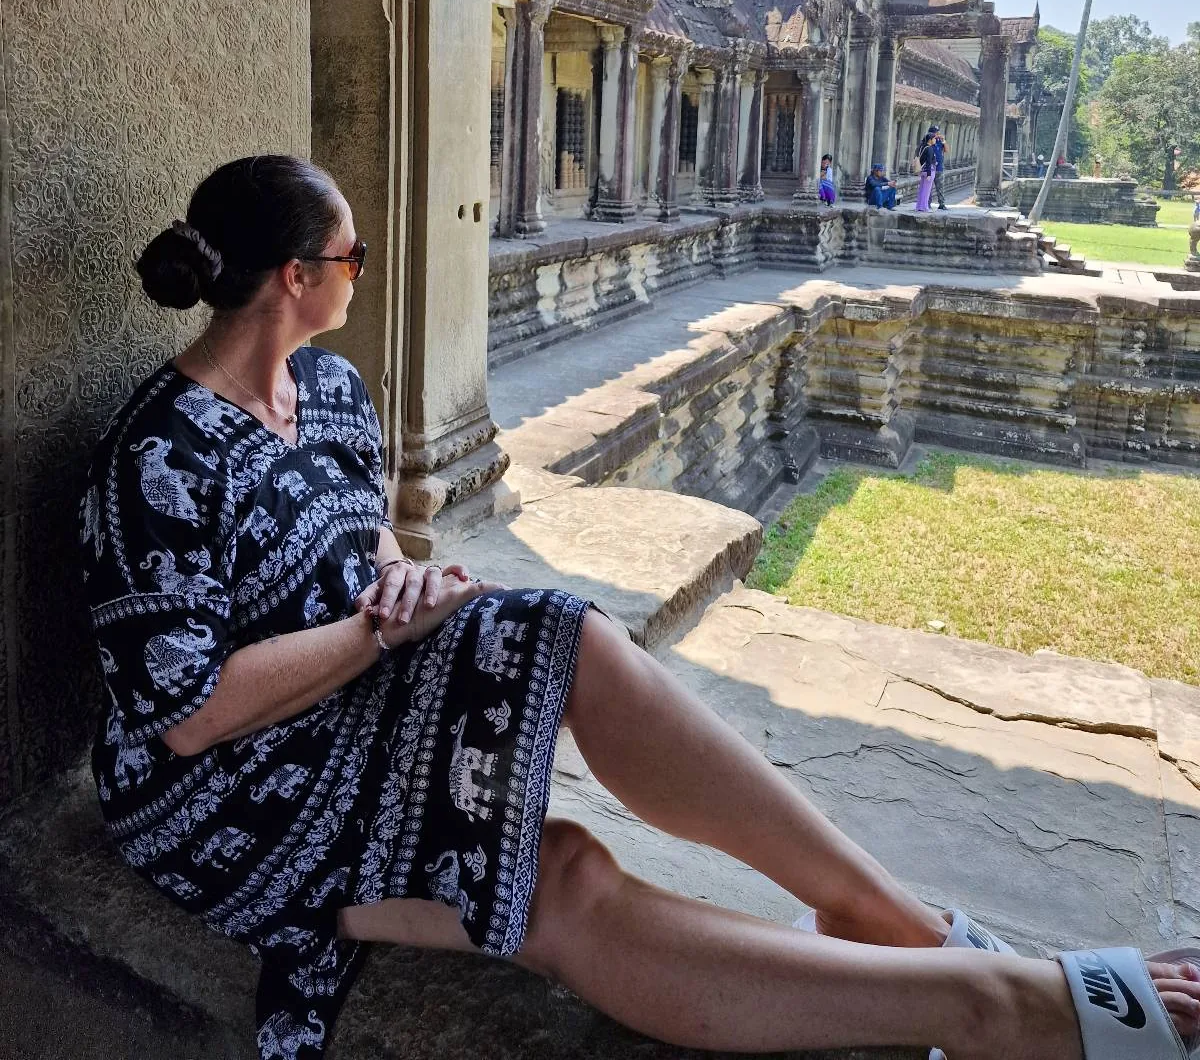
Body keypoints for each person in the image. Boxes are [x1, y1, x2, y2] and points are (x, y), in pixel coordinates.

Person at [81, 154, 1200, 1060]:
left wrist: (402, 577)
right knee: (561, 878)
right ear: (293, 276)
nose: (362, 270)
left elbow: (364, 530)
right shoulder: (156, 456)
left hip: (351, 692)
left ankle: (901, 925)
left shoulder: (328, 389)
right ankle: (984, 1005)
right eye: (353, 254)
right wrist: (380, 627)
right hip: (223, 797)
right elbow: (187, 716)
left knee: (570, 635)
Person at [919, 125, 947, 210]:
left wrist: (944, 141)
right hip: (929, 169)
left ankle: (941, 203)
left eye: (937, 132)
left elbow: (946, 150)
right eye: (935, 132)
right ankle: (927, 203)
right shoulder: (927, 143)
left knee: (940, 187)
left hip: (939, 168)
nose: (937, 134)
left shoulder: (938, 141)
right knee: (928, 188)